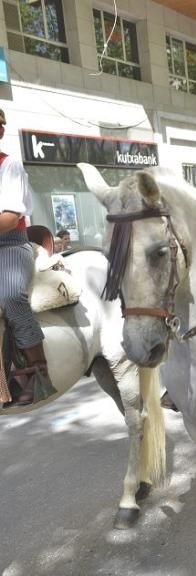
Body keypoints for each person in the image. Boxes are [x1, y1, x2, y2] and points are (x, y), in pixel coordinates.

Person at [0, 108, 56, 405]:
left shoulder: (9, 166)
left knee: (10, 295)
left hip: (8, 245)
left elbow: (9, 218)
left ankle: (37, 369)